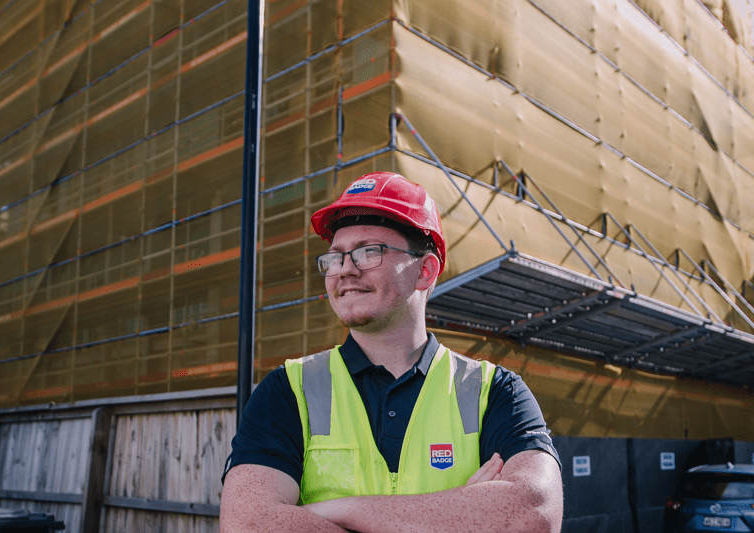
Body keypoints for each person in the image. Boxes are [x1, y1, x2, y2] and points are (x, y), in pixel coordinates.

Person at [220, 172, 563, 532]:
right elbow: (248, 525)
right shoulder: (287, 390)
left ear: (425, 271)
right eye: (336, 257)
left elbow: (533, 514)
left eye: (369, 252)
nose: (346, 270)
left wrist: (334, 510)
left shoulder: (495, 391)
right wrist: (458, 516)